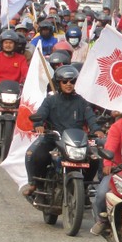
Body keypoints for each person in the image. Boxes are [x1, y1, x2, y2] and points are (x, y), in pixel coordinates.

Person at [22, 65, 104, 197]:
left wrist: (97, 129)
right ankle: (34, 184)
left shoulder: (82, 102)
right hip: (54, 139)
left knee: (94, 159)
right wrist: (38, 124)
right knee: (34, 154)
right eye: (65, 81)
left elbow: (91, 118)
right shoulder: (50, 100)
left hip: (77, 142)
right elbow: (41, 114)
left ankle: (85, 187)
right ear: (58, 83)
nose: (68, 84)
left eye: (72, 81)